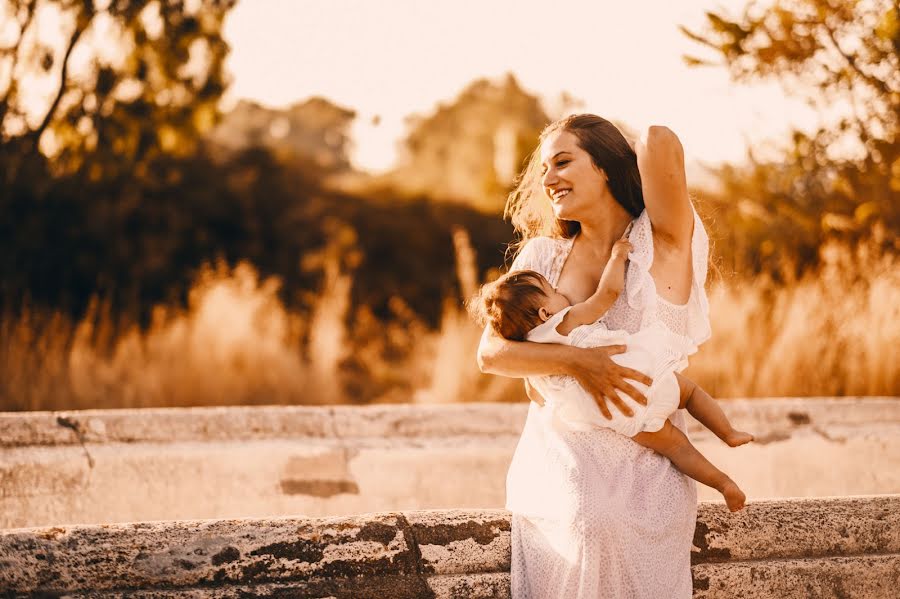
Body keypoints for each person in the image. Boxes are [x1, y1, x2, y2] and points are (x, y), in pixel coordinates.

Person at [476, 114, 730, 598]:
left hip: (651, 458)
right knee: (586, 517)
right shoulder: (541, 258)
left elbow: (659, 140)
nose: (548, 179)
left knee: (609, 521)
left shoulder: (665, 244)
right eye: (544, 169)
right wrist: (578, 362)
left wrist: (622, 148)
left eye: (564, 162)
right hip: (561, 459)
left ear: (609, 167)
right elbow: (491, 353)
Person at [470, 233, 752, 512]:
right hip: (638, 379)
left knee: (677, 448)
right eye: (553, 291)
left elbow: (536, 394)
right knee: (690, 393)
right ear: (545, 313)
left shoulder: (533, 359)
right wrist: (617, 257)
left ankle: (723, 484)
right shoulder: (564, 321)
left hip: (621, 417)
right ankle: (728, 432)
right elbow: (607, 295)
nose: (561, 293)